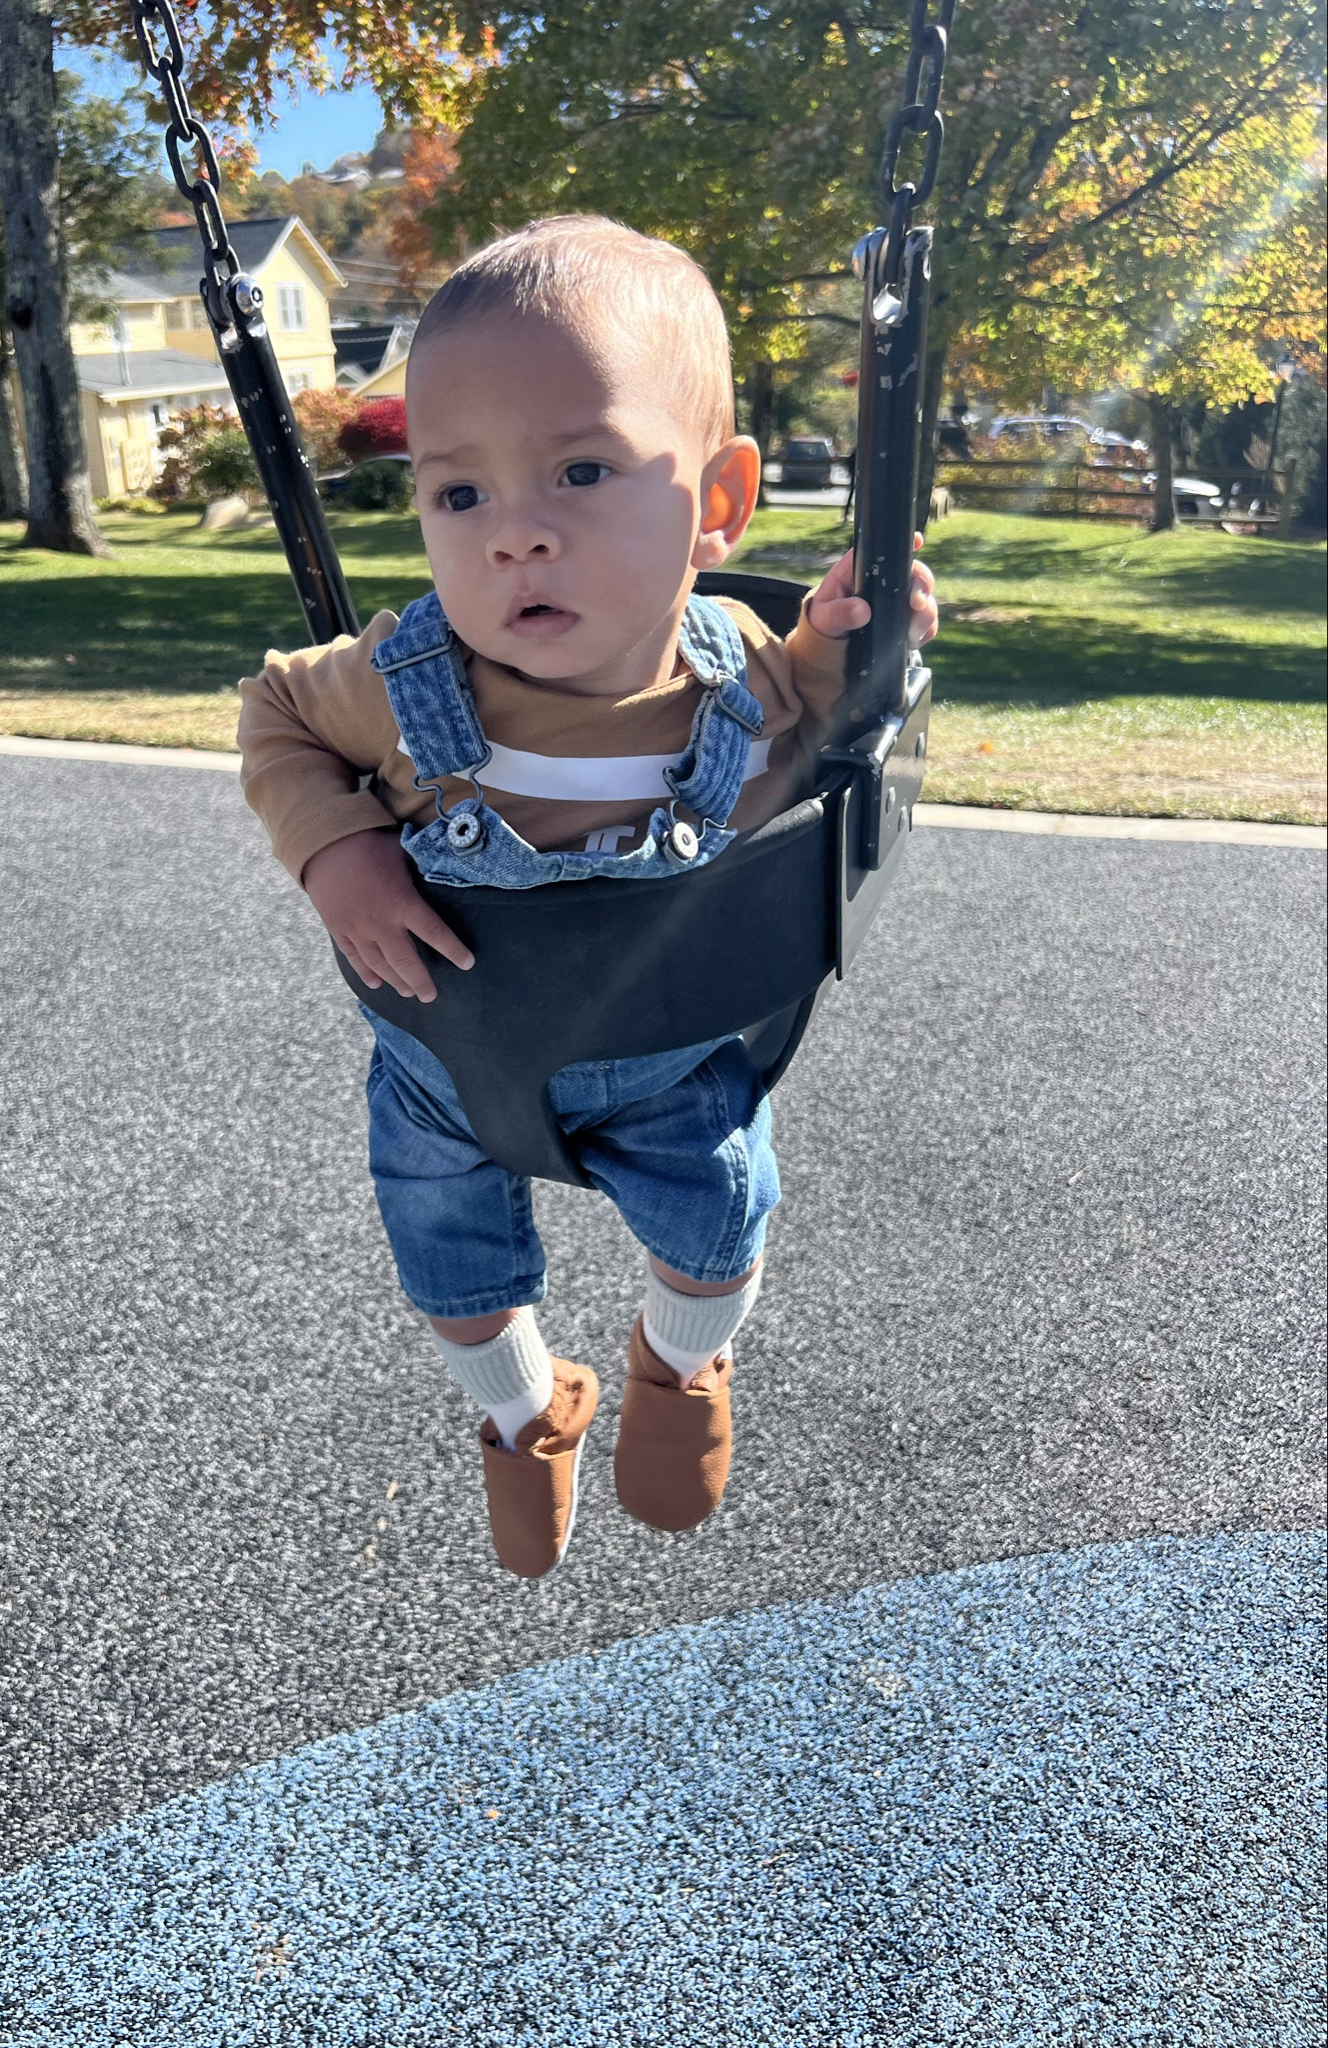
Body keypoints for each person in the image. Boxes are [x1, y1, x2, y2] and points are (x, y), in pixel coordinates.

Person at [238, 217, 938, 1579]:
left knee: (719, 1233)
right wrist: (335, 847)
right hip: (444, 1057)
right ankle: (524, 1412)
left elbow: (829, 710)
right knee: (446, 1276)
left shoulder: (738, 655)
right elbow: (274, 710)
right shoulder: (397, 674)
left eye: (578, 470)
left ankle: (676, 1372)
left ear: (718, 504)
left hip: (669, 1058)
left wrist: (859, 646)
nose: (515, 538)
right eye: (460, 496)